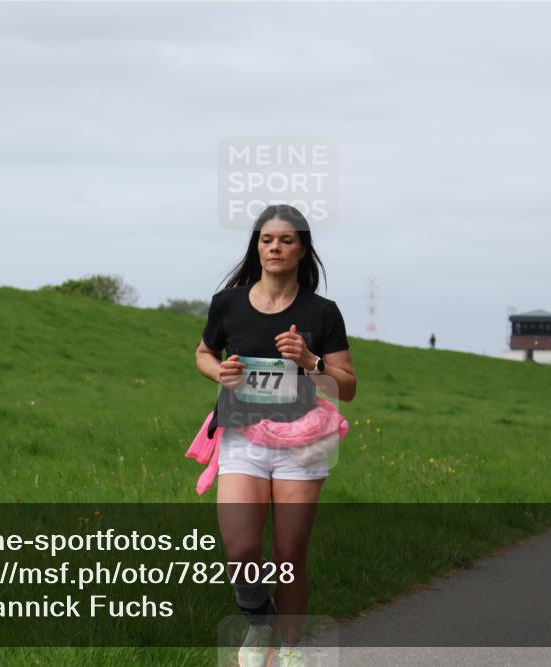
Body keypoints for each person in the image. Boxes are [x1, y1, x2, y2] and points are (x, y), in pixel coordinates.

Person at [194, 204, 357, 667]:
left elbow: (347, 387)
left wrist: (311, 361)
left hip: (302, 442)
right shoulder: (228, 302)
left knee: (289, 552)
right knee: (242, 548)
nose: (275, 248)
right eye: (267, 240)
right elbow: (203, 354)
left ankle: (289, 647)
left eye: (286, 240)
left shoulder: (321, 312)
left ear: (303, 249)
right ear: (256, 247)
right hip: (242, 435)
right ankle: (257, 619)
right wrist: (218, 372)